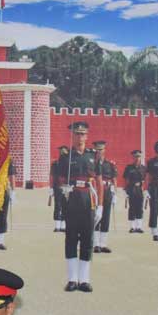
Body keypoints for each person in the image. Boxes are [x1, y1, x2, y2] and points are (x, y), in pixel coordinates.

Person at [62, 122, 97, 293]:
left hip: (88, 199)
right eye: (77, 134)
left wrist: (101, 205)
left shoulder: (92, 156)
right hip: (72, 198)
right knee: (71, 238)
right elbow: (60, 179)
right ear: (73, 136)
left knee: (87, 238)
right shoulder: (66, 157)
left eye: (83, 134)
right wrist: (63, 193)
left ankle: (84, 279)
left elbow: (98, 180)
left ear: (87, 136)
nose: (80, 137)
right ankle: (72, 279)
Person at [93, 140, 116, 254]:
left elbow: (113, 179)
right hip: (95, 191)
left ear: (104, 150)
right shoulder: (92, 163)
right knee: (96, 217)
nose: (99, 151)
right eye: (97, 149)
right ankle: (95, 244)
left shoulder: (109, 164)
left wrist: (114, 193)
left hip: (107, 191)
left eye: (101, 149)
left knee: (106, 217)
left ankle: (103, 244)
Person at [123, 150, 147, 234]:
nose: (137, 158)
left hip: (140, 189)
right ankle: (132, 227)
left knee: (139, 207)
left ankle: (139, 226)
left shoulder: (143, 168)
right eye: (135, 157)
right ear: (132, 157)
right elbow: (126, 179)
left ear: (140, 157)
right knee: (132, 207)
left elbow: (146, 180)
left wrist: (146, 190)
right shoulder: (129, 168)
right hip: (131, 189)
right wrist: (125, 191)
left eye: (138, 156)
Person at [50, 145, 68, 232]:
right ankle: (57, 225)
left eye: (64, 152)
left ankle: (63, 226)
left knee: (65, 206)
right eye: (61, 152)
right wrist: (51, 188)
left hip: (66, 187)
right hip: (57, 186)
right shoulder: (55, 163)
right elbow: (52, 176)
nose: (62, 153)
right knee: (58, 205)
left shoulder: (69, 163)